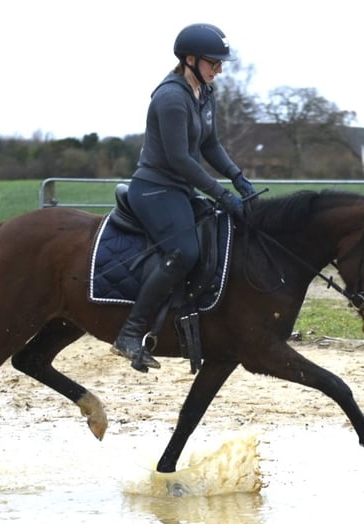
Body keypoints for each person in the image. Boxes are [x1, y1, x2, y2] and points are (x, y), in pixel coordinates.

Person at [111, 22, 258, 372]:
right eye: (213, 62)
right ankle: (130, 334)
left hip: (179, 188)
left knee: (221, 233)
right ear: (189, 59)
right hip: (155, 188)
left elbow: (210, 144)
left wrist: (240, 179)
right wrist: (222, 194)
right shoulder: (170, 97)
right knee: (184, 251)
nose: (219, 69)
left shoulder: (205, 92)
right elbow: (180, 159)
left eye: (220, 63)